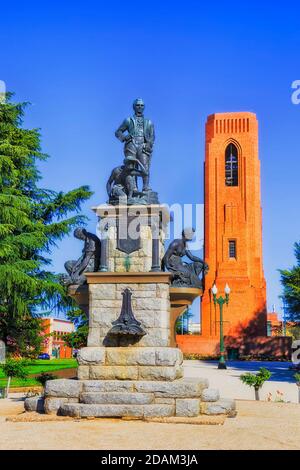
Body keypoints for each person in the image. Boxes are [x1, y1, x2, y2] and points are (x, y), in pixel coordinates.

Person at [115, 98, 155, 192]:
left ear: (144, 107)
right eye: (137, 105)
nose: (139, 107)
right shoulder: (128, 120)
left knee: (145, 166)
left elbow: (152, 136)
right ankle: (134, 187)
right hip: (131, 144)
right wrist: (124, 137)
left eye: (141, 105)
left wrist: (149, 144)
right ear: (134, 107)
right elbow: (118, 132)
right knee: (132, 167)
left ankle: (145, 187)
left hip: (143, 145)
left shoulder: (149, 122)